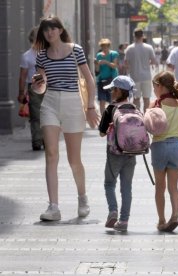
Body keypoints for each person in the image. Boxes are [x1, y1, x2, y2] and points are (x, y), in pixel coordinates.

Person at [31, 15, 99, 221]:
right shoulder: (42, 56)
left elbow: (89, 78)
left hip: (72, 103)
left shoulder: (75, 50)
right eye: (46, 30)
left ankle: (82, 197)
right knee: (51, 154)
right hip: (50, 101)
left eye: (53, 28)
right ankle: (53, 207)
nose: (49, 32)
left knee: (73, 159)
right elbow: (41, 86)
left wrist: (90, 106)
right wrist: (37, 85)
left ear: (60, 30)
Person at [149, 71, 178, 232]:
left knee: (160, 187)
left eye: (154, 87)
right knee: (174, 187)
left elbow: (151, 128)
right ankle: (175, 216)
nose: (153, 90)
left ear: (160, 86)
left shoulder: (156, 105)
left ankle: (161, 220)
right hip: (175, 146)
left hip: (159, 145)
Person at [98, 75, 137, 232]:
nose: (111, 92)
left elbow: (101, 133)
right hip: (131, 153)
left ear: (119, 91)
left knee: (109, 183)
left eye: (113, 89)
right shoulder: (134, 108)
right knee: (126, 187)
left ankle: (113, 210)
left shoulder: (110, 109)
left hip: (114, 153)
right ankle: (124, 220)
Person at [18, 27, 44, 151]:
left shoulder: (48, 53)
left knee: (48, 115)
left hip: (48, 87)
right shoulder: (26, 56)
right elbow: (22, 76)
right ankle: (37, 141)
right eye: (36, 37)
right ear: (32, 39)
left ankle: (46, 139)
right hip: (33, 88)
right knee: (35, 116)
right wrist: (21, 93)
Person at [125, 28, 157, 111]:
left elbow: (126, 63)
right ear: (143, 36)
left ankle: (137, 116)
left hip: (134, 76)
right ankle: (146, 116)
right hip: (146, 76)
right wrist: (146, 63)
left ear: (134, 36)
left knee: (136, 99)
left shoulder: (129, 48)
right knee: (146, 99)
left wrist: (132, 65)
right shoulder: (149, 47)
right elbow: (153, 61)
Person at [95, 38, 119, 115]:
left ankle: (112, 117)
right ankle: (103, 119)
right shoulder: (99, 55)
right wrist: (97, 64)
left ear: (109, 46)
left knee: (112, 101)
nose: (104, 48)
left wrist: (106, 62)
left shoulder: (113, 54)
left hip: (111, 81)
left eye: (106, 46)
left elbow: (114, 66)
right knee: (102, 101)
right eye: (102, 46)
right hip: (102, 80)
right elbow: (97, 70)